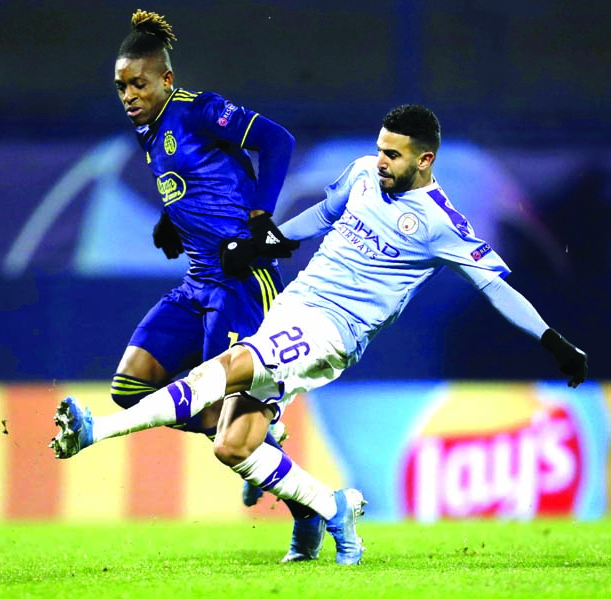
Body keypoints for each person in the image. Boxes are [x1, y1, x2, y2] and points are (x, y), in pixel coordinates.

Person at [51, 104, 589, 565]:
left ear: (425, 160)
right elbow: (325, 214)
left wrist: (554, 342)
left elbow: (497, 289)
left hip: (335, 330)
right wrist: (272, 240)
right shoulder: (361, 174)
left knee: (232, 365)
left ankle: (98, 429)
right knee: (233, 445)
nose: (382, 160)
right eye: (380, 148)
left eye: (394, 155)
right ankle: (332, 509)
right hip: (294, 308)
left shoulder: (441, 222)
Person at [102, 10, 320, 560]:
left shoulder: (199, 111)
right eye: (121, 86)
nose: (129, 94)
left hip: (242, 285)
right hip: (197, 283)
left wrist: (260, 219)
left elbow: (276, 141)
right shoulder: (149, 131)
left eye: (138, 83)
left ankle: (306, 509)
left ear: (166, 80)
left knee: (227, 424)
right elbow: (199, 183)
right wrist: (169, 219)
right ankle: (263, 441)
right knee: (128, 389)